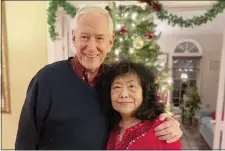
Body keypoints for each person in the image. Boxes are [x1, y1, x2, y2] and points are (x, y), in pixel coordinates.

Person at [15, 6, 182, 150]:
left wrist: (170, 123)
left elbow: (146, 107)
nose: (91, 47)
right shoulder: (46, 79)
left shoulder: (115, 80)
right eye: (84, 37)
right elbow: (25, 141)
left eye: (99, 38)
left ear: (110, 42)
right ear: (74, 38)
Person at [100, 61, 182, 149]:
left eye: (131, 86)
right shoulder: (111, 127)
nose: (124, 94)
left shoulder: (163, 130)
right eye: (117, 87)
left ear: (145, 92)